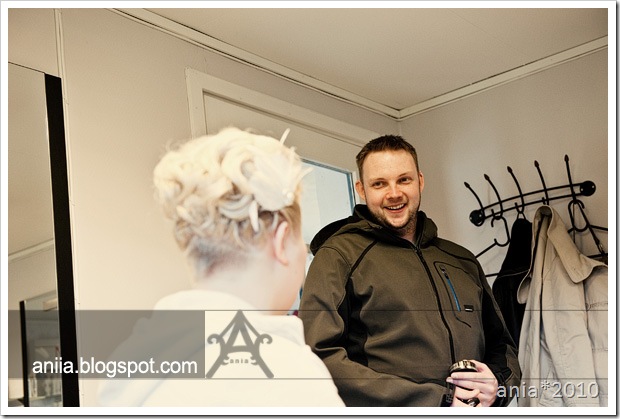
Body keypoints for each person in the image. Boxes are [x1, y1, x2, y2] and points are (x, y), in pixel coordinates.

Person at [97, 127, 344, 407]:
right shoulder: (291, 376)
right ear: (281, 240)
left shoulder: (131, 365)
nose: (302, 251)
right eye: (299, 239)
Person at [298, 135, 521, 407]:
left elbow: (504, 347)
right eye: (379, 183)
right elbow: (319, 358)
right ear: (361, 189)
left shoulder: (461, 260)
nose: (394, 193)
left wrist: (498, 385)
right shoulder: (338, 257)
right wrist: (437, 401)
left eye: (404, 180)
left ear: (420, 181)